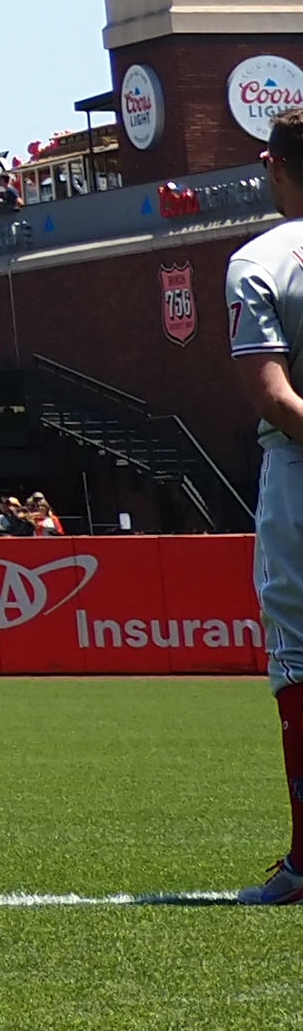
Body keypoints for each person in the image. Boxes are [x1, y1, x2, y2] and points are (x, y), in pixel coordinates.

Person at [214, 99, 303, 899]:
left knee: (301, 659)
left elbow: (275, 398)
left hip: (301, 472)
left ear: (276, 165)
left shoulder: (260, 259)